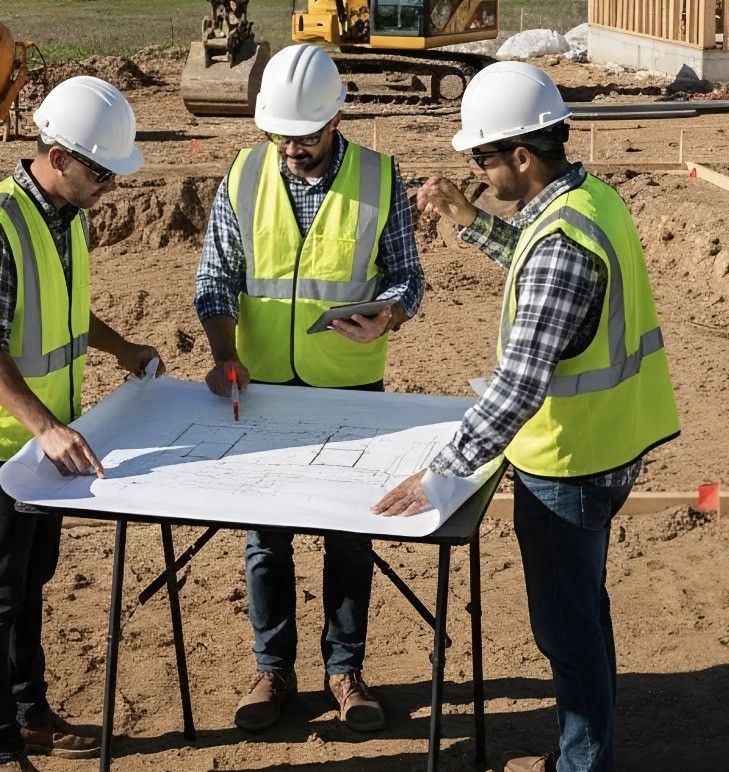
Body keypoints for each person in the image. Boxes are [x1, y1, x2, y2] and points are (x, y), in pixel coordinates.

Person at [374, 62, 681, 772]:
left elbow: (516, 387)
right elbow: (533, 262)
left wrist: (441, 472)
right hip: (608, 443)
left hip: (569, 465)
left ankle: (581, 766)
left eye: (482, 159)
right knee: (584, 614)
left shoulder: (562, 245)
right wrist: (470, 223)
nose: (477, 173)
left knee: (567, 633)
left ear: (520, 155)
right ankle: (584, 755)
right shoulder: (586, 200)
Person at [0, 75, 163, 772]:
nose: (110, 187)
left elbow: (64, 310)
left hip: (39, 437)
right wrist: (45, 429)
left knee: (31, 581)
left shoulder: (65, 216)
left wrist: (122, 349)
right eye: (101, 173)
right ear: (57, 157)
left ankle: (30, 716)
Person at [193, 43, 425, 734]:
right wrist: (224, 353)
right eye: (280, 136)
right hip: (263, 387)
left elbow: (407, 277)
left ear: (337, 119)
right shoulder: (243, 174)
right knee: (267, 540)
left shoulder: (380, 178)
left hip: (350, 389)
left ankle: (345, 672)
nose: (292, 149)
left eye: (306, 137)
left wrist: (389, 313)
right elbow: (215, 277)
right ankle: (273, 671)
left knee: (349, 537)